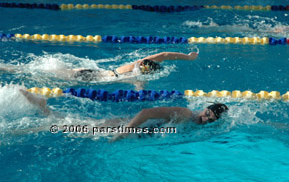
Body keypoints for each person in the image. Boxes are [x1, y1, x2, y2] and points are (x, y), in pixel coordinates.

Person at [19, 89, 228, 141]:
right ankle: (22, 130)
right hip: (122, 127)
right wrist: (123, 132)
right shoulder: (184, 113)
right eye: (208, 114)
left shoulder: (193, 123)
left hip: (129, 129)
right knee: (70, 128)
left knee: (73, 125)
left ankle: (43, 108)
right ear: (205, 108)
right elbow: (146, 112)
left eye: (212, 120)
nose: (207, 120)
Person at [70, 51, 198, 81]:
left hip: (93, 72)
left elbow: (164, 55)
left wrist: (187, 57)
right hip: (94, 79)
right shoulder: (137, 77)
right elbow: (139, 92)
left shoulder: (135, 64)